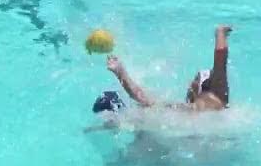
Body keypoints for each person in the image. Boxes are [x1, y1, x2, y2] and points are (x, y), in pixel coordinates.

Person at [96, 25, 233, 113]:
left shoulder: (201, 104)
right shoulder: (218, 105)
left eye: (195, 79)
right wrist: (220, 34)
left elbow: (141, 97)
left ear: (202, 86)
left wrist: (121, 72)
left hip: (177, 134)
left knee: (129, 106)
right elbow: (221, 59)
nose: (190, 84)